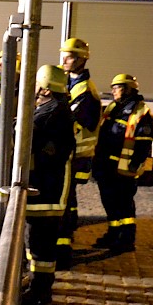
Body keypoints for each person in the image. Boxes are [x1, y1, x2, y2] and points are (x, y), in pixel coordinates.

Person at [23, 65, 76, 305]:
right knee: (37, 242)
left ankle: (40, 290)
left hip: (47, 189)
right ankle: (37, 284)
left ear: (44, 88)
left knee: (40, 244)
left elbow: (34, 142)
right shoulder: (53, 110)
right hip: (48, 187)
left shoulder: (51, 114)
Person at [93, 74, 153, 254]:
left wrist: (135, 165)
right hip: (106, 165)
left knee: (124, 204)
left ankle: (127, 239)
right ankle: (113, 234)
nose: (113, 90)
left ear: (128, 89)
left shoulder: (140, 112)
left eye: (117, 87)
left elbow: (144, 141)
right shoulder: (114, 107)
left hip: (124, 168)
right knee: (110, 202)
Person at [58, 38, 101, 267]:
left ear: (82, 59)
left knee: (65, 201)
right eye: (64, 54)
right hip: (68, 154)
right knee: (67, 200)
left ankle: (63, 249)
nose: (64, 59)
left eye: (71, 56)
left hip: (76, 155)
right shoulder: (70, 83)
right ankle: (64, 241)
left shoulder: (85, 90)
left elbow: (68, 120)